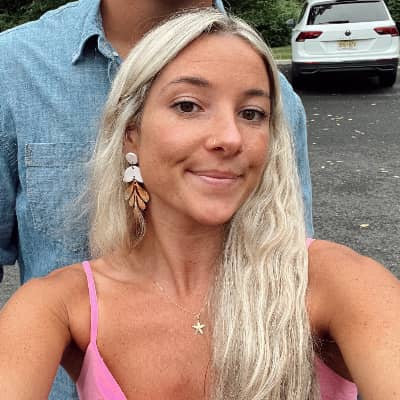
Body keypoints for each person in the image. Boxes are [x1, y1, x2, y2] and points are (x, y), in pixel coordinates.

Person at [1, 9, 399, 400]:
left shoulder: (334, 282)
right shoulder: (58, 306)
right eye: (188, 106)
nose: (230, 137)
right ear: (130, 134)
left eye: (251, 114)